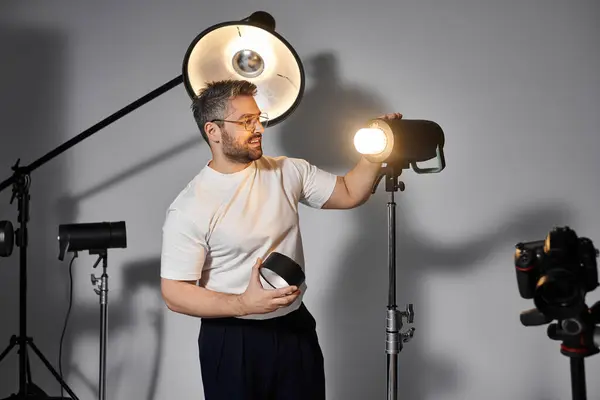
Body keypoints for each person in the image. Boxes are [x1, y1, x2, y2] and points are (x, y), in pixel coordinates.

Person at [160, 79, 401, 399]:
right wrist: (242, 304)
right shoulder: (190, 207)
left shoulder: (289, 171)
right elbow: (175, 292)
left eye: (258, 118)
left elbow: (347, 192)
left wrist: (376, 149)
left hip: (294, 329)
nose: (258, 127)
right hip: (233, 340)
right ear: (213, 131)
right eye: (246, 121)